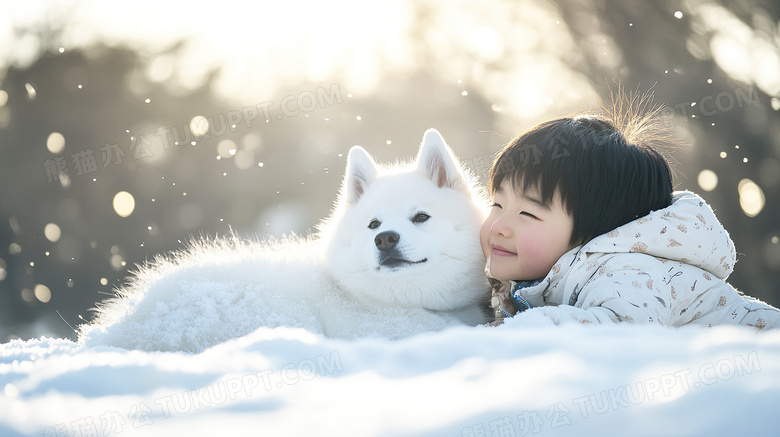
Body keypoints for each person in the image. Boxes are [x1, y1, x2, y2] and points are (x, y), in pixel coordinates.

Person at [481, 102, 779, 329]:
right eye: (497, 204)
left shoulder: (629, 270)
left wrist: (518, 330)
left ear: (596, 233)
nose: (499, 226)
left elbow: (623, 331)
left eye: (528, 214)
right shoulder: (542, 274)